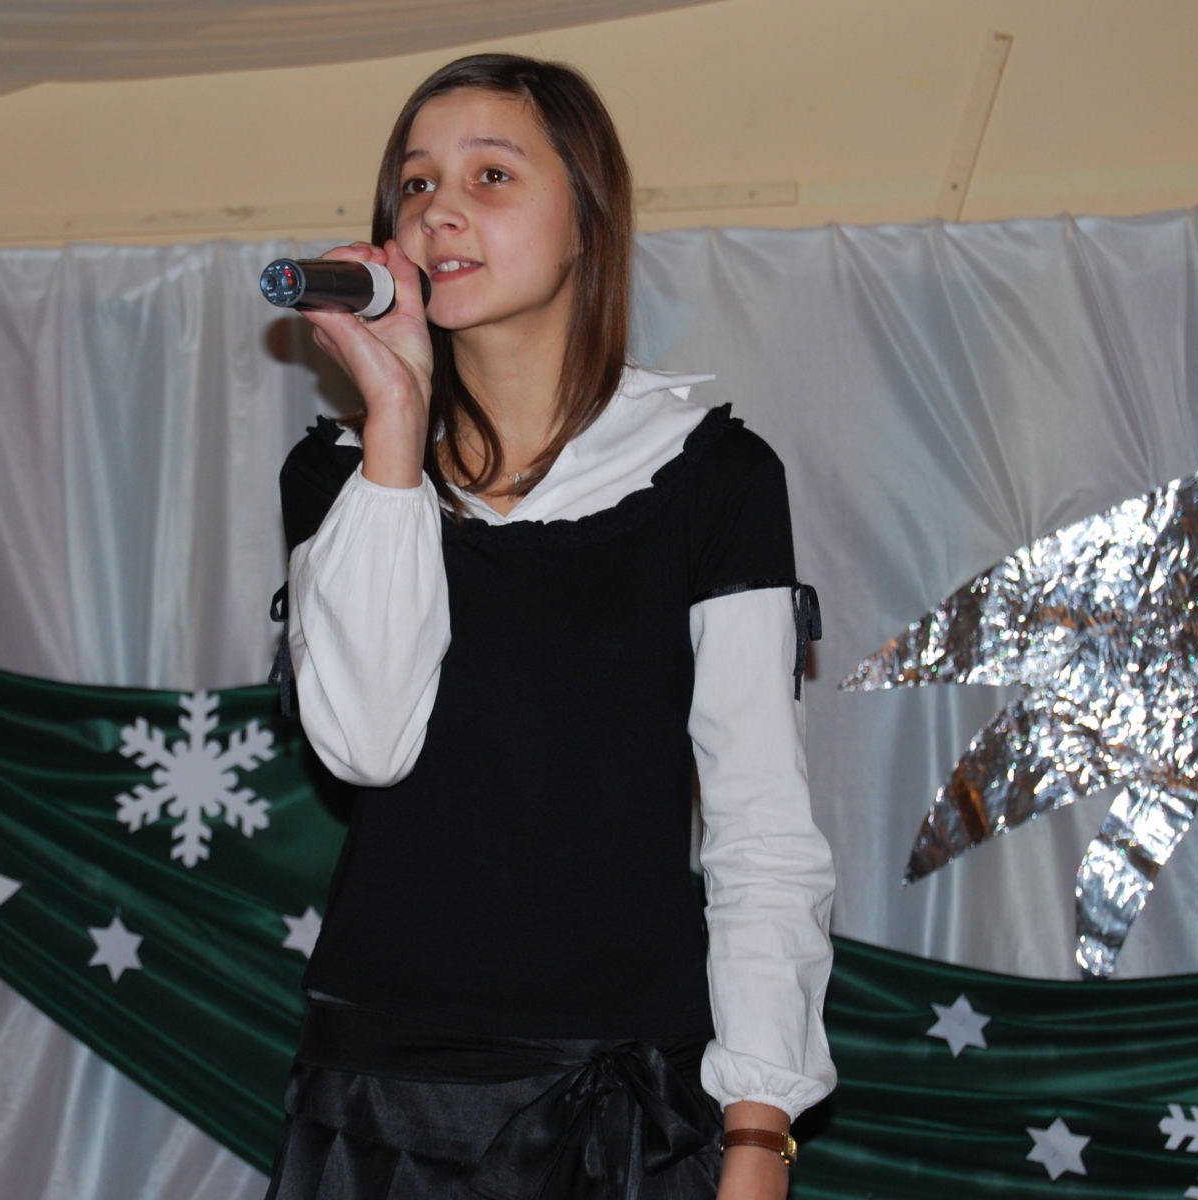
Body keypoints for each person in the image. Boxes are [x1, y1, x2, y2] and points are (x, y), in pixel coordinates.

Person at [267, 53, 835, 1200]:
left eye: (490, 175)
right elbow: (365, 748)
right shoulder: (341, 478)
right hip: (385, 1105)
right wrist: (395, 423)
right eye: (415, 185)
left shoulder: (713, 477)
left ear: (587, 219)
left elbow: (761, 826)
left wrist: (758, 1132)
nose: (440, 211)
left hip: (628, 1109)